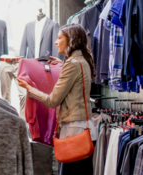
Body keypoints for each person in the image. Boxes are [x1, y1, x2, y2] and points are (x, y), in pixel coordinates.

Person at [17, 23, 97, 174]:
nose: (55, 42)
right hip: (85, 129)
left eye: (59, 38)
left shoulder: (72, 64)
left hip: (75, 131)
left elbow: (52, 101)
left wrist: (29, 89)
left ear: (71, 40)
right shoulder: (82, 61)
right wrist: (64, 64)